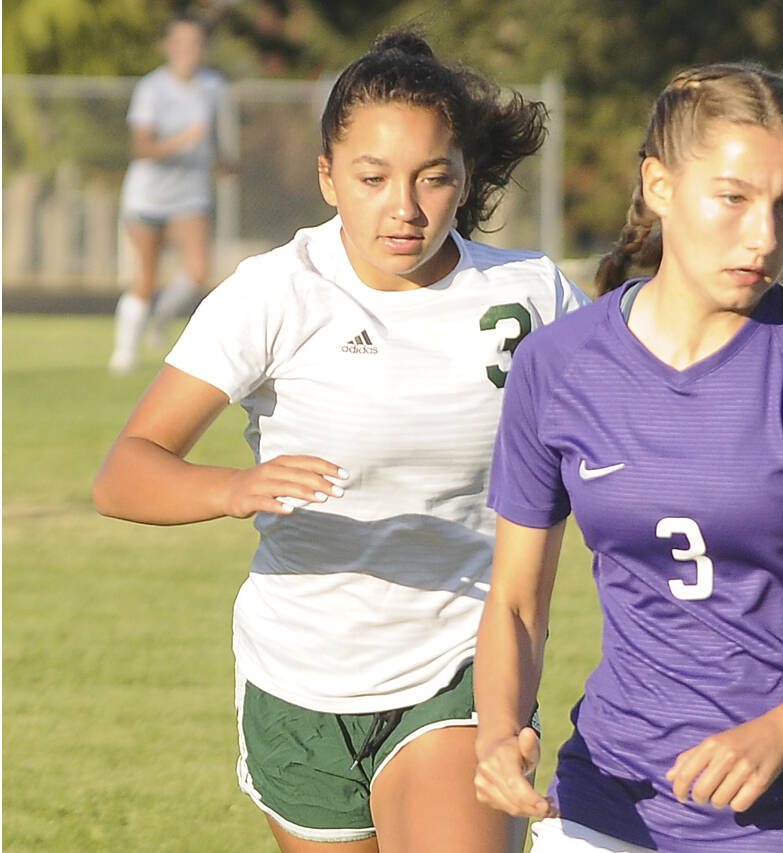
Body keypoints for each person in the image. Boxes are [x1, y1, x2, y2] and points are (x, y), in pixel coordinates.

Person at [94, 27, 586, 853]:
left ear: (464, 178)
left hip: (457, 665)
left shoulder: (532, 295)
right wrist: (231, 490)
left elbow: (650, 427)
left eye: (435, 178)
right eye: (373, 178)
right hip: (298, 679)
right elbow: (125, 473)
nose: (405, 206)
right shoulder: (274, 294)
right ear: (328, 177)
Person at [473, 62, 783, 852]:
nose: (766, 235)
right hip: (608, 798)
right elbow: (516, 602)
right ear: (659, 185)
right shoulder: (557, 367)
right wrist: (499, 730)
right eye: (733, 198)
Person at [109, 11, 230, 374]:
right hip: (148, 196)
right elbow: (141, 148)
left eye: (194, 43)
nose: (187, 50)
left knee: (197, 271)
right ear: (167, 47)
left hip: (190, 194)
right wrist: (181, 141)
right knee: (145, 277)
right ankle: (124, 353)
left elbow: (213, 137)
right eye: (179, 43)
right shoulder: (152, 88)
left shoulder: (213, 85)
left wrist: (223, 162)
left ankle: (161, 318)